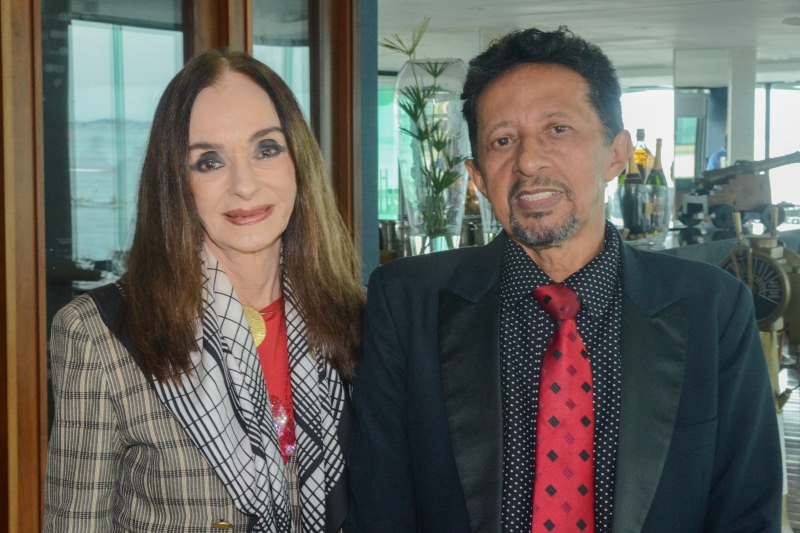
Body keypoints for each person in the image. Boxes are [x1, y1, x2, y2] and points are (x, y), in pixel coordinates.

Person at [347, 27, 781, 532]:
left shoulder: (712, 307)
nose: (528, 161)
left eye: (558, 129)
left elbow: (746, 507)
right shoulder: (407, 301)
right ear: (478, 176)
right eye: (502, 140)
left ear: (615, 154)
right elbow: (381, 504)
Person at [44, 48, 364, 532]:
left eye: (266, 149)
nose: (245, 185)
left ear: (299, 161)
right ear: (174, 181)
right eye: (209, 161)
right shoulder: (99, 334)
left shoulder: (361, 318)